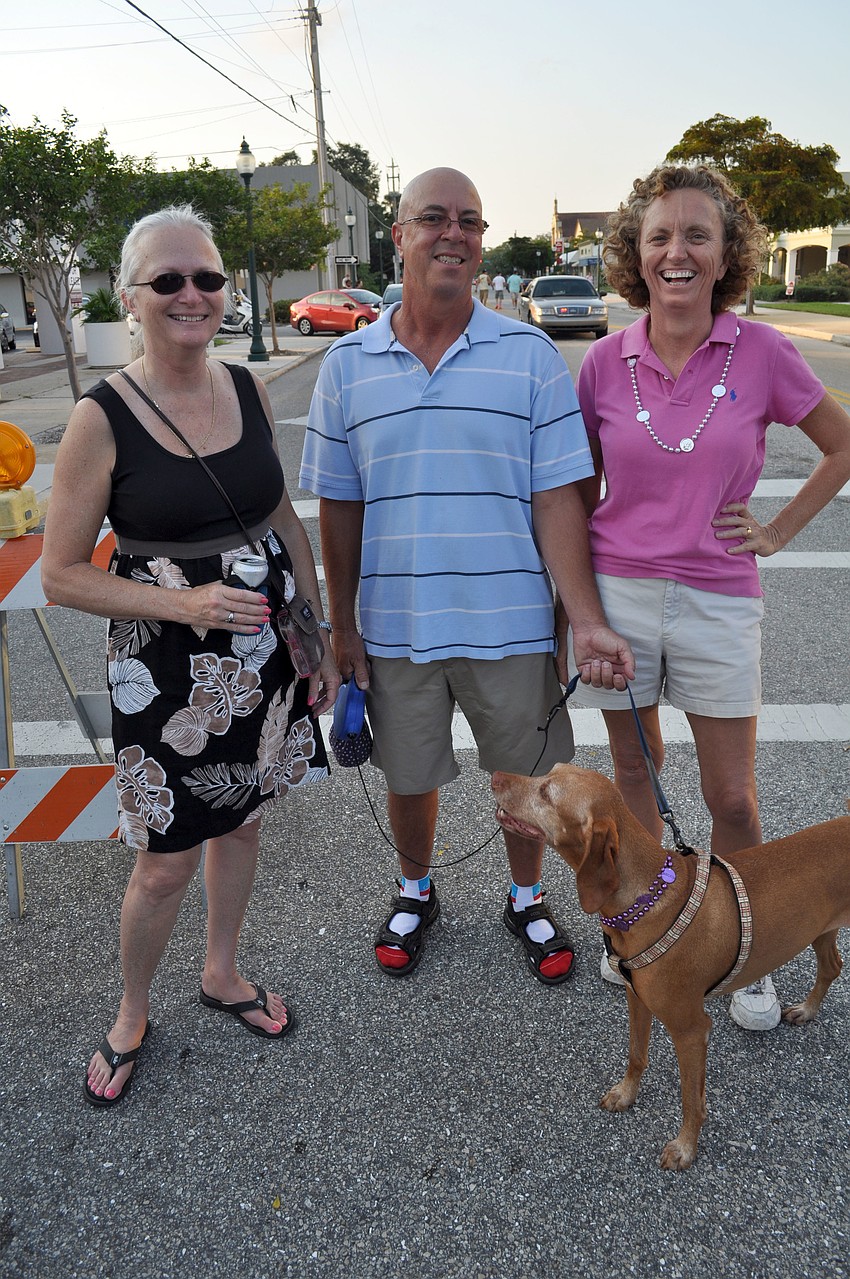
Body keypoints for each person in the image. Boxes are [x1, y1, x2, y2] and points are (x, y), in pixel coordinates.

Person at [300, 167, 634, 985]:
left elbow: (560, 498)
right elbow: (339, 509)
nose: (454, 234)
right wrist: (342, 627)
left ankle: (525, 897)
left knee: (524, 782)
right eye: (435, 219)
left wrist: (579, 617)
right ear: (400, 234)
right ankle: (416, 888)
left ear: (482, 243)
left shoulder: (529, 357)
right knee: (409, 776)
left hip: (512, 622)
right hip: (398, 625)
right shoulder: (347, 365)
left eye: (471, 222)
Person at [41, 205, 339, 1106]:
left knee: (244, 821)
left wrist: (316, 632)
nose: (191, 293)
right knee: (166, 858)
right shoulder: (102, 418)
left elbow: (281, 516)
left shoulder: (247, 388)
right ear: (129, 299)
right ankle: (132, 1010)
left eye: (207, 277)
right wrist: (186, 601)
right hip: (165, 667)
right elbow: (59, 576)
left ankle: (222, 972)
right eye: (167, 280)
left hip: (262, 652)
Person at [559, 164, 850, 1029]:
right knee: (632, 778)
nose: (676, 252)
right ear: (635, 255)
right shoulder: (606, 362)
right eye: (659, 237)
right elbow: (576, 492)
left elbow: (840, 446)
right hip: (620, 594)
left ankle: (748, 949)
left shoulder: (762, 351)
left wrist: (779, 530)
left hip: (721, 598)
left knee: (731, 797)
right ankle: (648, 936)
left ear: (725, 255)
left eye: (696, 235)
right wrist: (578, 608)